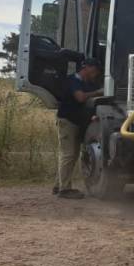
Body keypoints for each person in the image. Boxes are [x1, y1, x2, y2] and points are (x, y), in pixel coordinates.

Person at [54, 58, 103, 199]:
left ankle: (59, 185)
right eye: (95, 70)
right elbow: (80, 98)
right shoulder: (73, 81)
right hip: (67, 122)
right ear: (87, 68)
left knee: (71, 155)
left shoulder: (85, 84)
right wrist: (98, 93)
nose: (96, 74)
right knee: (68, 154)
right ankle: (64, 189)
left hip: (75, 122)